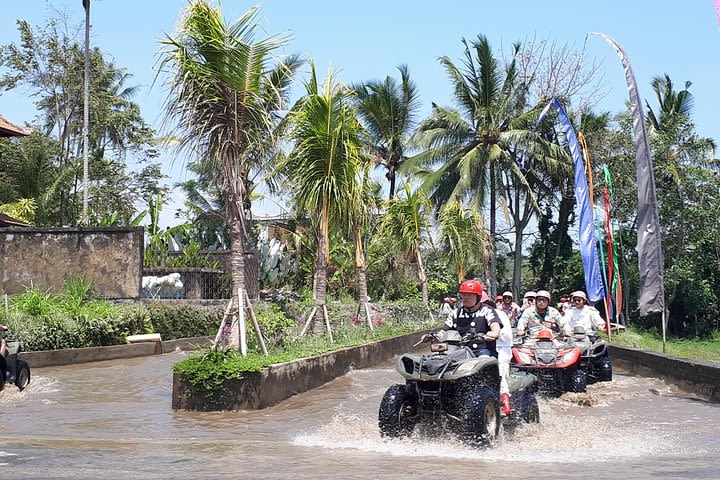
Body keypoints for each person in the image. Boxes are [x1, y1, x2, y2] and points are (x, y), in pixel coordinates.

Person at [424, 279, 502, 358]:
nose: (465, 297)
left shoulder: (487, 311)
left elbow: (494, 324)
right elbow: (444, 330)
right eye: (463, 294)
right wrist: (434, 336)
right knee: (437, 359)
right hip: (459, 351)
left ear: (478, 297)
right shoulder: (455, 313)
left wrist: (494, 332)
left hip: (482, 350)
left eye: (470, 295)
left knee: (484, 358)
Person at [481, 293, 514, 415]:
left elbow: (507, 336)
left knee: (500, 372)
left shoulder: (498, 314)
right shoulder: (468, 315)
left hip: (501, 348)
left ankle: (504, 404)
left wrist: (494, 333)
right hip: (479, 349)